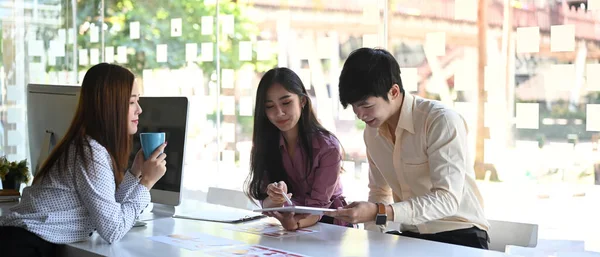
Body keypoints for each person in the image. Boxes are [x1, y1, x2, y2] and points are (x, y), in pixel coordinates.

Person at [325, 48, 490, 249]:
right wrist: (374, 243)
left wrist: (380, 212)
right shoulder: (372, 133)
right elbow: (379, 192)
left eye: (366, 106)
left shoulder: (440, 121)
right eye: (354, 107)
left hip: (461, 236)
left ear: (393, 92)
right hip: (411, 237)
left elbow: (447, 199)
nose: (360, 115)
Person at [0, 63, 167, 257]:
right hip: (22, 247)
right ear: (110, 106)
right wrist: (146, 182)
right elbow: (113, 229)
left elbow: (108, 210)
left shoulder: (88, 146)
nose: (139, 109)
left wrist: (135, 173)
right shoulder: (90, 153)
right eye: (131, 102)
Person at [245, 67, 351, 231]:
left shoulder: (327, 147)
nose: (279, 112)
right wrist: (277, 197)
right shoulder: (265, 144)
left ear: (302, 101)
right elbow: (265, 204)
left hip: (331, 227)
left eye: (286, 102)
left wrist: (295, 224)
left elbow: (318, 208)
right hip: (291, 227)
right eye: (269, 106)